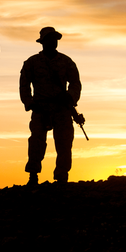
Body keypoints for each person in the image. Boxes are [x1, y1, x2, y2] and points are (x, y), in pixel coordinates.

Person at [20, 27, 82, 186]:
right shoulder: (32, 62)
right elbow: (24, 85)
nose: (52, 42)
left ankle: (62, 177)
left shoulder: (66, 62)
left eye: (54, 39)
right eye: (49, 39)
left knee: (64, 143)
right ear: (43, 42)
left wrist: (69, 97)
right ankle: (33, 176)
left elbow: (75, 83)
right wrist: (30, 103)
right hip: (40, 109)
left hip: (62, 109)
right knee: (36, 143)